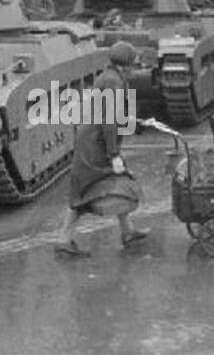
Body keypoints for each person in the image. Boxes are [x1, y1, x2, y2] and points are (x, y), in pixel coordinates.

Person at [55, 42, 149, 256]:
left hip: (95, 141)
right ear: (125, 66)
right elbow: (108, 120)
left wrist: (135, 123)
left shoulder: (112, 77)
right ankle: (64, 240)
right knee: (87, 190)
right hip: (96, 145)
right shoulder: (113, 81)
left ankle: (128, 231)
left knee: (116, 183)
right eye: (133, 65)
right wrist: (113, 154)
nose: (134, 69)